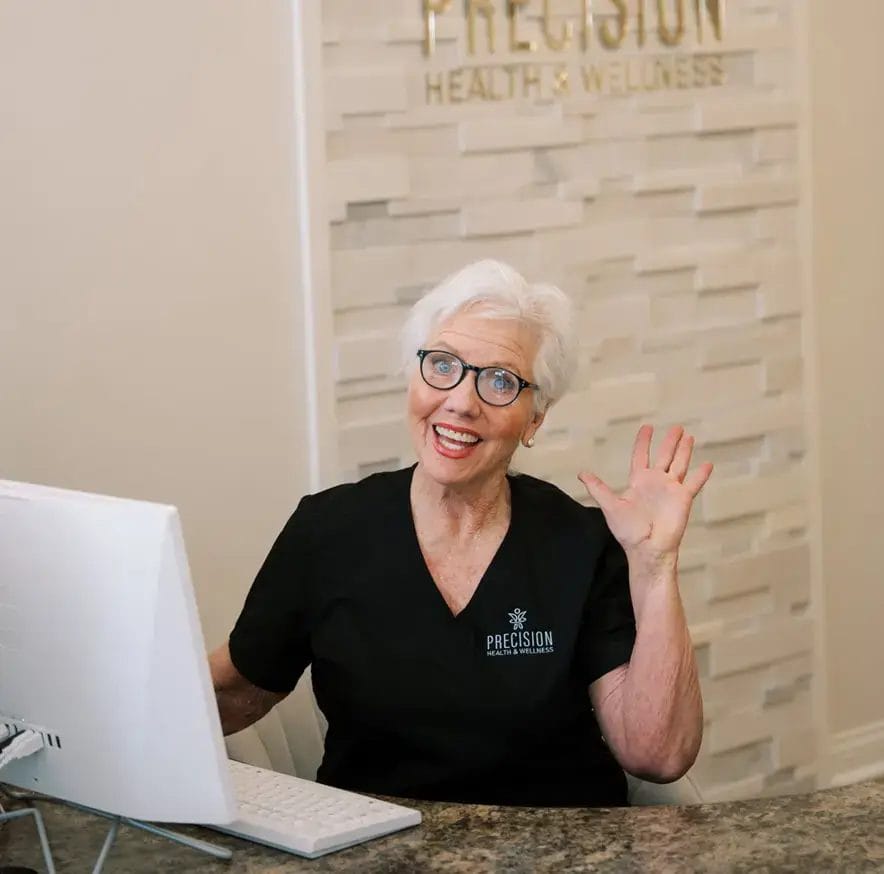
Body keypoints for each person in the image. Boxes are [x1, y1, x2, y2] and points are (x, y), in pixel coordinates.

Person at [210, 259, 712, 807]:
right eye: (443, 365)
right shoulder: (328, 532)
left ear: (535, 418)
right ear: (414, 375)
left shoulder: (580, 544)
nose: (461, 401)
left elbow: (657, 754)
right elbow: (238, 690)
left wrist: (655, 565)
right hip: (377, 854)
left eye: (500, 381)